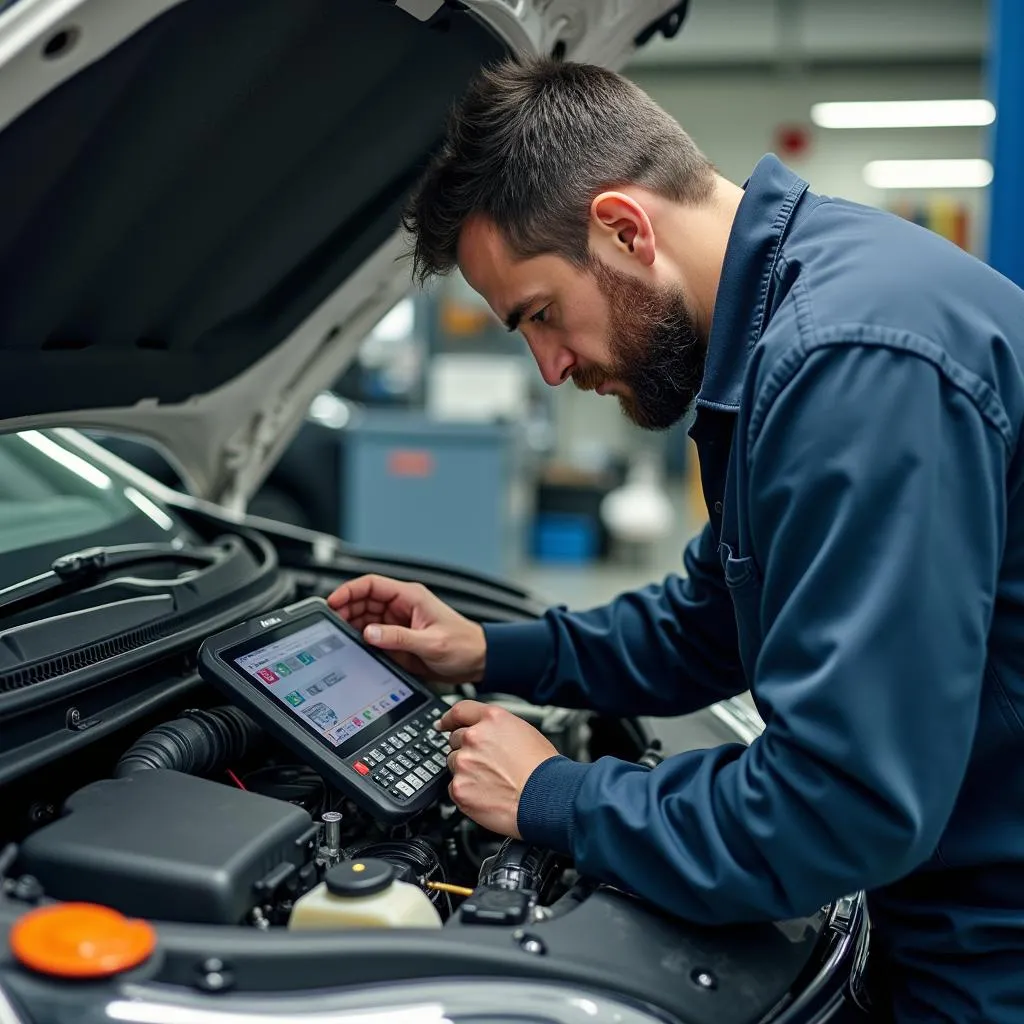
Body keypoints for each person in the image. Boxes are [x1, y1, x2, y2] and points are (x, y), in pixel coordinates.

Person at [328, 56, 1024, 1023]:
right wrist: (490, 650)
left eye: (539, 315)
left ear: (623, 228)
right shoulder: (788, 326)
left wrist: (558, 797)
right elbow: (710, 620)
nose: (550, 366)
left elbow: (841, 805)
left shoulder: (851, 365)